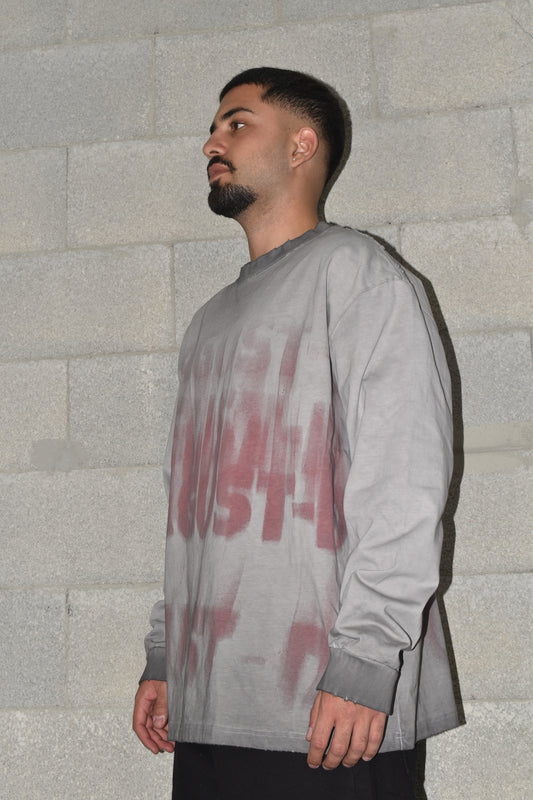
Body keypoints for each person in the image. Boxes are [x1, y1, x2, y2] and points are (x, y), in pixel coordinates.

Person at [133, 67, 459, 799]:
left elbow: (404, 483)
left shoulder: (359, 276)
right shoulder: (209, 320)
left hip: (329, 711)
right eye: (213, 127)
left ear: (301, 145)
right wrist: (168, 655)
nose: (211, 142)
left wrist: (364, 662)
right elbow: (191, 512)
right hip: (212, 705)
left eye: (237, 123)